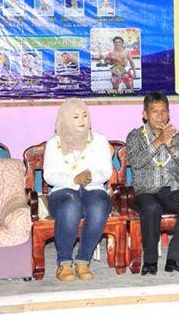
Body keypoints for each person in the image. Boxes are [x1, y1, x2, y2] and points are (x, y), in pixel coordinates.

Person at [43, 99, 113, 282]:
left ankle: (83, 261)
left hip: (93, 187)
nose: (82, 120)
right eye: (75, 117)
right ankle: (64, 262)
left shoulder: (99, 140)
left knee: (98, 206)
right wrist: (74, 180)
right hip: (63, 190)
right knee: (70, 205)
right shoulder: (54, 143)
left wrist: (90, 177)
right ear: (65, 118)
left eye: (84, 115)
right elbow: (49, 175)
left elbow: (106, 171)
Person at [126, 92, 179, 275]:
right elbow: (137, 162)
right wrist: (159, 141)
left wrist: (171, 146)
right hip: (146, 191)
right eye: (154, 112)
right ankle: (150, 261)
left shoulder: (177, 136)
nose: (160, 116)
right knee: (151, 208)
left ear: (169, 114)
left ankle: (176, 258)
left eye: (164, 111)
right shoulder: (135, 136)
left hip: (172, 189)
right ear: (145, 115)